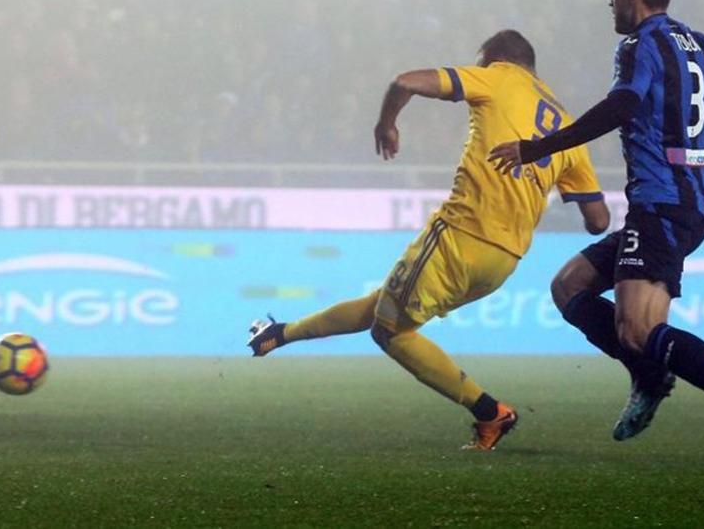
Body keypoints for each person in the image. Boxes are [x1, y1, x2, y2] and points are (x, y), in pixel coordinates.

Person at [488, 0, 704, 466]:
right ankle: (649, 373)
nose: (608, 3)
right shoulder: (696, 43)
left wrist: (539, 147)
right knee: (568, 286)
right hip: (677, 206)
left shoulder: (639, 46)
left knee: (639, 331)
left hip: (664, 209)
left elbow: (623, 104)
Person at [248, 30, 609, 450]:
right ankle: (281, 333)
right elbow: (597, 220)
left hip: (460, 234)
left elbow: (404, 82)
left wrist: (387, 123)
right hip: (503, 262)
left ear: (496, 59)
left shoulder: (496, 77)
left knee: (390, 332)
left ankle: (490, 411)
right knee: (384, 305)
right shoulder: (566, 126)